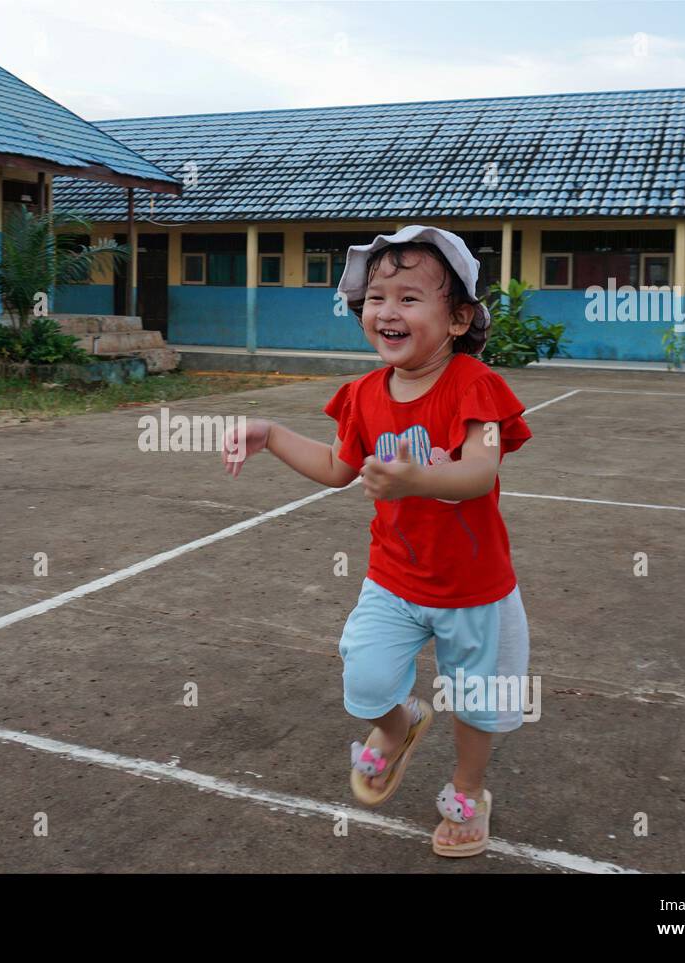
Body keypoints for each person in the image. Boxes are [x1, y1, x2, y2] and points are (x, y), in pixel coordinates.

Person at [221, 226, 532, 857]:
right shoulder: (364, 394)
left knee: (477, 703)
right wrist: (274, 435)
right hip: (394, 578)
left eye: (410, 298)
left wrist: (418, 478)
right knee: (364, 676)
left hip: (474, 588)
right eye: (375, 297)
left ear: (458, 318)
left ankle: (469, 790)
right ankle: (400, 722)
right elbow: (339, 468)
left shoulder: (475, 385)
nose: (386, 310)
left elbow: (481, 470)